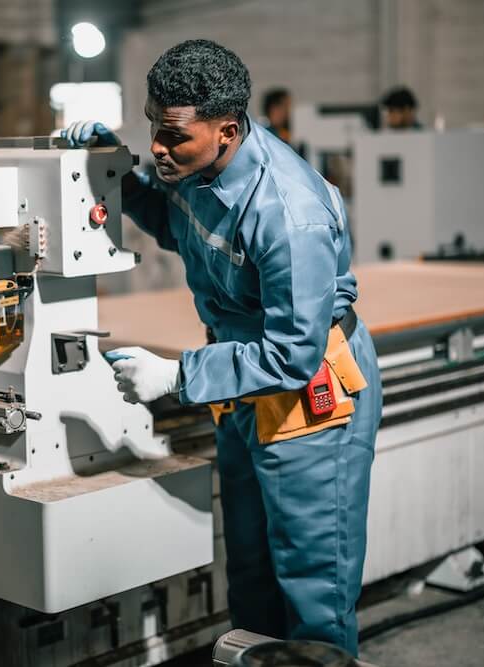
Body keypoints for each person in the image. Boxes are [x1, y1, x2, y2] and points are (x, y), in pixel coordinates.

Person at [61, 40, 382, 657]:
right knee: (252, 572)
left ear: (227, 130)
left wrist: (180, 376)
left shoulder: (287, 214)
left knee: (312, 589)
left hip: (308, 398)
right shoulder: (199, 167)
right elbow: (173, 222)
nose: (158, 146)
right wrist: (114, 169)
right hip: (240, 385)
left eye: (174, 135)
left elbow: (292, 355)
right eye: (153, 127)